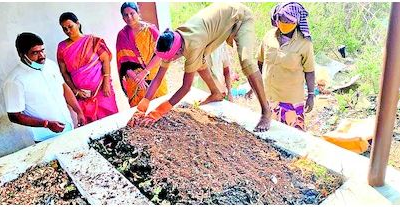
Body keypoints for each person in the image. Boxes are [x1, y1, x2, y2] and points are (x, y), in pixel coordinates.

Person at [128, 2, 272, 132]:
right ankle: (216, 93)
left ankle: (266, 111)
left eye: (168, 59)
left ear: (177, 52)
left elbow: (186, 87)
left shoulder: (192, 45)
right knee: (200, 62)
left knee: (246, 61)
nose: (166, 62)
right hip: (220, 20)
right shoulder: (171, 40)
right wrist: (142, 107)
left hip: (239, 17)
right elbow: (158, 78)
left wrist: (158, 112)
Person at [4, 32, 86, 143]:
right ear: (22, 55)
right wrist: (46, 124)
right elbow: (14, 115)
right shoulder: (15, 80)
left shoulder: (50, 65)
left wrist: (79, 111)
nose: (41, 56)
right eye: (35, 53)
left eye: (42, 50)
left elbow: (64, 88)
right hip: (46, 137)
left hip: (69, 127)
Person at [257, 2, 315, 131]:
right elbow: (260, 62)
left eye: (288, 21)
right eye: (282, 19)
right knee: (269, 136)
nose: (284, 23)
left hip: (291, 99)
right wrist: (256, 86)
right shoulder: (269, 37)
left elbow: (309, 71)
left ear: (297, 22)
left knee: (292, 136)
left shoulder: (304, 43)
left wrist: (311, 95)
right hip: (269, 96)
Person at [57, 12, 118, 123]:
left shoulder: (93, 41)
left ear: (78, 24)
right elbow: (64, 72)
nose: (68, 31)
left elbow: (105, 61)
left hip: (102, 89)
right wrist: (75, 91)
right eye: (64, 29)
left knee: (111, 121)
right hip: (82, 95)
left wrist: (106, 84)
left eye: (70, 26)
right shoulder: (62, 47)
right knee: (91, 127)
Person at [116, 2, 168, 107]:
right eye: (126, 15)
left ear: (138, 13)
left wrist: (144, 72)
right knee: (140, 112)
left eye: (132, 13)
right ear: (123, 18)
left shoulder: (150, 30)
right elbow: (123, 63)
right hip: (134, 81)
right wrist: (136, 78)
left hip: (155, 75)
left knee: (160, 108)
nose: (129, 17)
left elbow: (160, 53)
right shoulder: (122, 35)